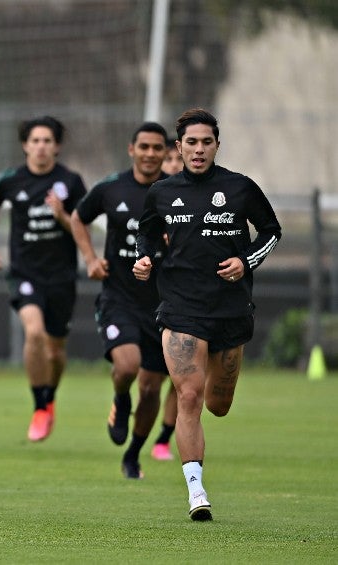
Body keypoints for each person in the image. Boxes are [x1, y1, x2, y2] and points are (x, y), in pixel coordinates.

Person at [133, 108, 281, 521]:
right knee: (189, 395)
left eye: (207, 142)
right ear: (177, 147)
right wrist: (145, 259)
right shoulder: (161, 191)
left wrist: (246, 262)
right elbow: (147, 232)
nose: (199, 150)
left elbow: (272, 231)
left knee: (218, 404)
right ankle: (196, 492)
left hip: (230, 311)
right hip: (180, 307)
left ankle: (198, 469)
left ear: (217, 145)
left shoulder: (240, 188)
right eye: (191, 143)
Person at [70, 122, 170, 479]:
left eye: (157, 148)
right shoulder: (112, 188)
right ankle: (119, 398)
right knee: (127, 367)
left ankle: (133, 454)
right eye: (143, 147)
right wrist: (91, 259)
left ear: (165, 152)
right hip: (119, 297)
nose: (150, 154)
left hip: (163, 305)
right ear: (132, 149)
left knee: (151, 388)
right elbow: (78, 218)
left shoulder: (175, 193)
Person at [0, 115, 87, 442]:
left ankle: (49, 399)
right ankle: (40, 406)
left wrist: (61, 215)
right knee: (35, 331)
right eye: (35, 140)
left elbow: (80, 227)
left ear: (56, 146)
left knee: (55, 352)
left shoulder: (70, 182)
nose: (41, 146)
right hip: (25, 272)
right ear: (26, 145)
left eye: (47, 141)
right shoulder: (12, 179)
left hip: (61, 276)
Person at [150, 133, 185, 462]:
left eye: (178, 159)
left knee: (180, 378)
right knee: (151, 376)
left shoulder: (197, 198)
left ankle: (163, 438)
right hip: (150, 296)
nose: (174, 165)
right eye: (169, 160)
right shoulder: (157, 197)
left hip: (183, 299)